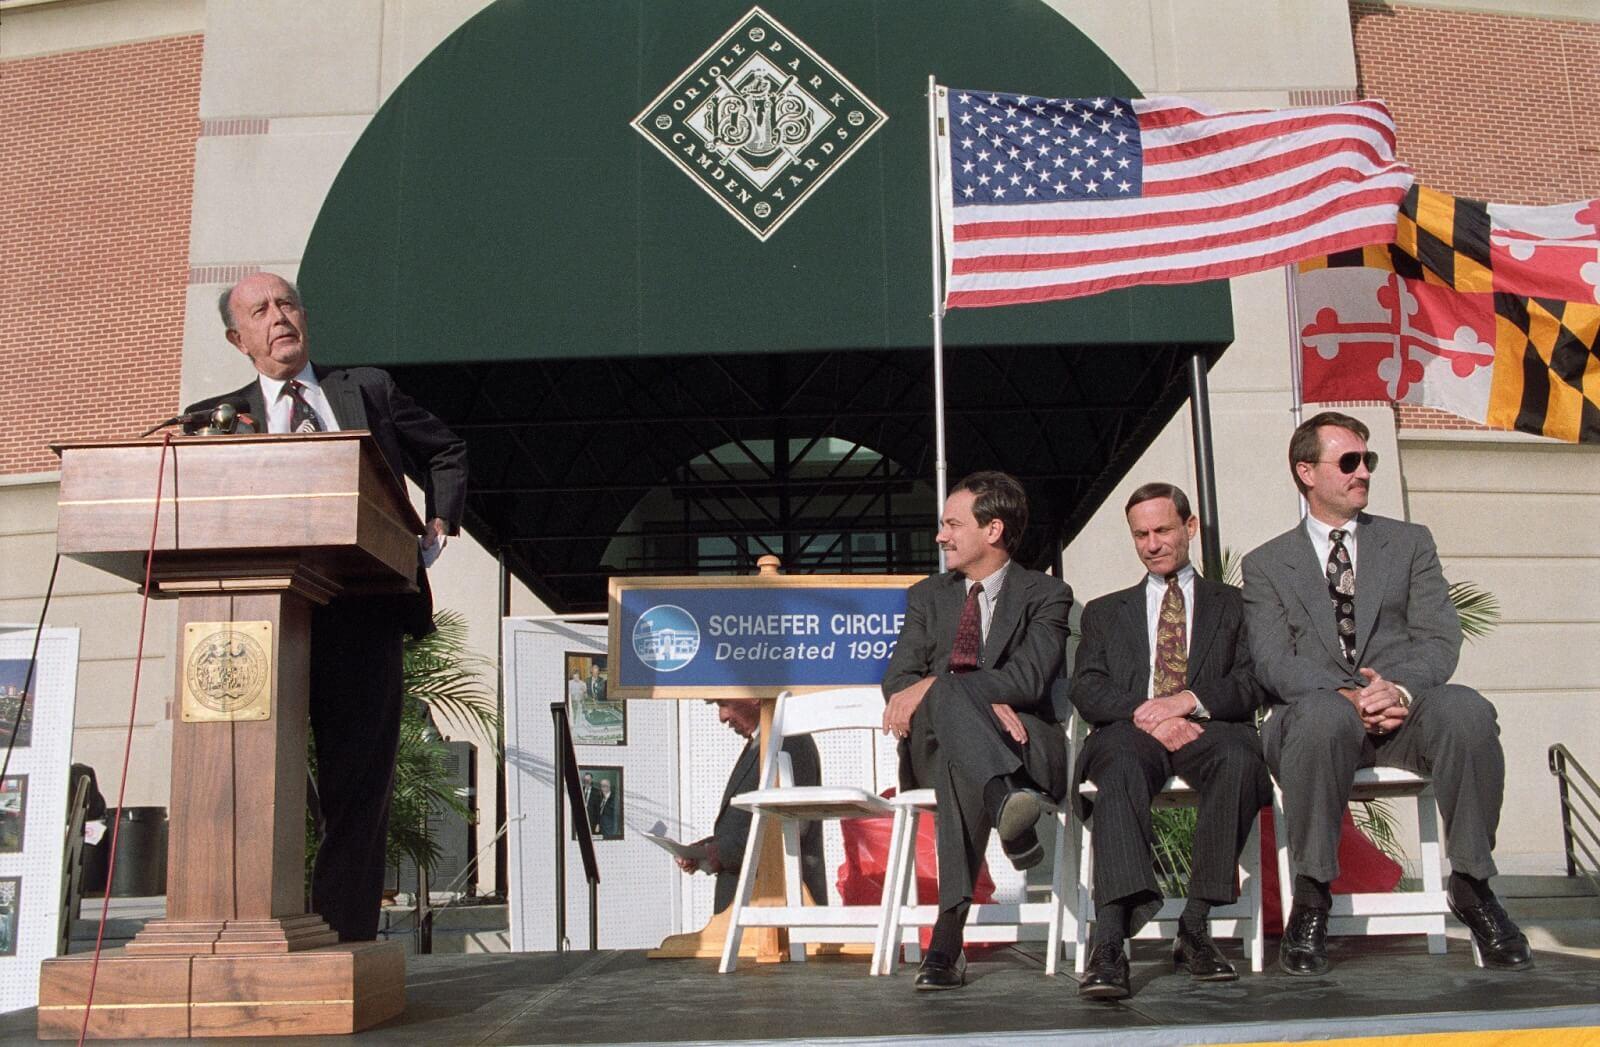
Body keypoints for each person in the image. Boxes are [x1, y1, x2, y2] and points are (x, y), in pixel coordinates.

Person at [186, 272, 467, 942]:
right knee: (251, 786)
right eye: (261, 310)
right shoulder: (213, 420)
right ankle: (243, 932)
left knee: (357, 790)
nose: (279, 316)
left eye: (287, 304)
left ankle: (344, 942)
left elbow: (448, 450)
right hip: (260, 623)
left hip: (362, 615)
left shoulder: (364, 389)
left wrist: (440, 522)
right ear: (238, 337)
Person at [1242, 411, 1532, 975]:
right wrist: (1346, 698)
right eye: (1348, 462)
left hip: (1405, 714)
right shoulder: (1267, 563)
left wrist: (1396, 689)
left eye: (1367, 460)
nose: (1363, 473)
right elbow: (1273, 661)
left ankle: (1473, 885)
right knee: (1324, 716)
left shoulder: (1409, 543)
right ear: (1307, 472)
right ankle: (1312, 895)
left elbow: (1439, 635)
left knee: (1467, 710)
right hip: (1315, 723)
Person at [1068, 483, 1270, 999]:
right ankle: (1110, 941)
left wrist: (1187, 702)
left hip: (1208, 726)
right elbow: (1087, 687)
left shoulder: (1236, 605)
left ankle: (1196, 927)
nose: (1153, 543)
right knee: (1120, 767)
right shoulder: (1106, 612)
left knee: (1240, 758)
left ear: (1190, 527)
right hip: (1130, 732)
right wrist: (1148, 713)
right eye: (1141, 535)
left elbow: (1253, 681)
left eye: (1162, 530)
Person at [881, 471, 1071, 991]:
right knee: (951, 724)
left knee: (953, 733)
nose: (941, 536)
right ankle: (1004, 798)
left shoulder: (1047, 594)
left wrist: (950, 691)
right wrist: (969, 696)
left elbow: (1030, 678)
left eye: (952, 524)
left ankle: (947, 936)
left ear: (993, 530)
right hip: (939, 742)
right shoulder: (927, 597)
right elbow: (898, 681)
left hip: (1025, 741)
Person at [675, 699, 828, 912]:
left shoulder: (789, 742)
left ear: (754, 698)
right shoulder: (767, 741)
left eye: (724, 703)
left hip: (776, 908)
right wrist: (708, 849)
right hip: (752, 906)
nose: (722, 717)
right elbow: (754, 822)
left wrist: (721, 851)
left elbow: (793, 823)